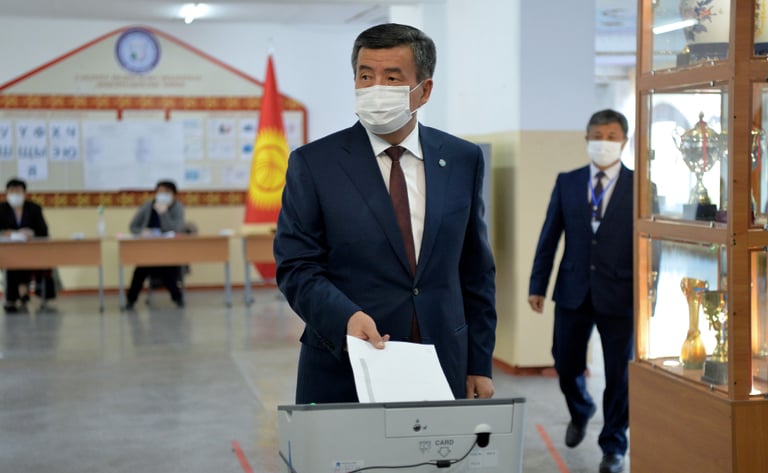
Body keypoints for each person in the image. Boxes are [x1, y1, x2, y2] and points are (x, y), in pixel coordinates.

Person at [274, 23, 497, 404]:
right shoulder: (314, 164)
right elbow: (297, 266)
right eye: (366, 76)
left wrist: (479, 361)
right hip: (346, 361)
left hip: (442, 359)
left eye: (392, 78)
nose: (375, 88)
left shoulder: (462, 159)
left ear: (424, 90)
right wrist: (344, 316)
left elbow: (475, 270)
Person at [528, 109, 633, 473]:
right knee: (565, 360)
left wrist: (647, 295)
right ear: (587, 139)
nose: (604, 142)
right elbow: (549, 236)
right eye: (597, 136)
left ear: (624, 141)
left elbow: (650, 246)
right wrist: (537, 285)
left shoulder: (641, 185)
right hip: (573, 289)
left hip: (622, 294)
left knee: (620, 375)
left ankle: (614, 446)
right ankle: (581, 408)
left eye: (612, 136)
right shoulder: (568, 181)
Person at [125, 180, 185, 309]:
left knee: (168, 270)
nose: (162, 195)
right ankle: (130, 300)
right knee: (141, 270)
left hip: (169, 250)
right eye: (160, 192)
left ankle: (178, 298)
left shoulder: (177, 207)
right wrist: (142, 232)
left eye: (166, 192)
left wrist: (163, 213)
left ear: (174, 195)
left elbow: (175, 229)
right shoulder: (148, 206)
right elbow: (133, 226)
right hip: (148, 249)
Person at [0, 178, 57, 313]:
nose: (15, 194)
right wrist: (7, 233)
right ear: (7, 193)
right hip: (8, 251)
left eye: (18, 191)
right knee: (12, 263)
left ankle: (26, 294)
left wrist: (31, 233)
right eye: (12, 191)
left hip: (31, 251)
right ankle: (15, 297)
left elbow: (43, 231)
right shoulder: (1, 209)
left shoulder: (34, 208)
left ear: (24, 193)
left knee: (32, 261)